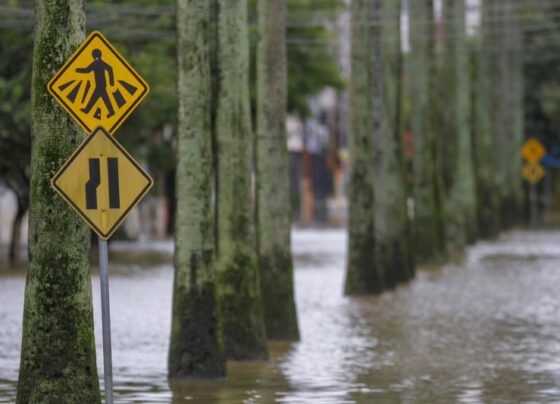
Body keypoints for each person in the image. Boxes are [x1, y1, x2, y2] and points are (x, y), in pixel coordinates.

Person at [76, 48, 115, 118]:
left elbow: (87, 70)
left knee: (100, 97)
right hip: (102, 84)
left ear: (94, 55)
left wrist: (77, 69)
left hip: (100, 84)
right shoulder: (101, 62)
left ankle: (87, 110)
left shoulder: (96, 63)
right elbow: (110, 69)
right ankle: (88, 110)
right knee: (100, 97)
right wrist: (111, 81)